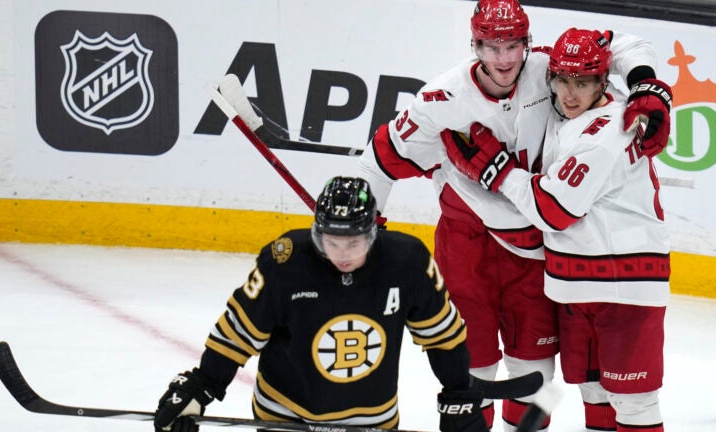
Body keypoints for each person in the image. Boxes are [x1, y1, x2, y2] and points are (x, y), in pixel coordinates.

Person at [357, 0, 671, 430]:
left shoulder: (550, 69)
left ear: (528, 43)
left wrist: (645, 86)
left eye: (512, 46)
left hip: (538, 249)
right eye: (490, 47)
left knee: (537, 370)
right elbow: (378, 160)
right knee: (471, 362)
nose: (503, 59)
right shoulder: (440, 99)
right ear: (475, 45)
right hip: (469, 247)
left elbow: (622, 45)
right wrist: (363, 233)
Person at [441, 28, 670, 432]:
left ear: (603, 81)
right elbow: (626, 44)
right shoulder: (572, 114)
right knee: (592, 391)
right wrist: (645, 80)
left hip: (623, 288)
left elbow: (553, 209)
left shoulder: (603, 134)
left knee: (634, 405)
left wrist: (496, 170)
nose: (569, 93)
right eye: (562, 80)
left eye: (582, 83)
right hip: (576, 284)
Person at [153, 176, 489, 432]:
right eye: (332, 242)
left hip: (371, 419)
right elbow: (237, 335)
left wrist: (458, 392)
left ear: (373, 233)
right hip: (285, 414)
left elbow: (443, 336)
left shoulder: (407, 262)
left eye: (353, 243)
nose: (342, 255)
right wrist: (202, 385)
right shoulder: (285, 263)